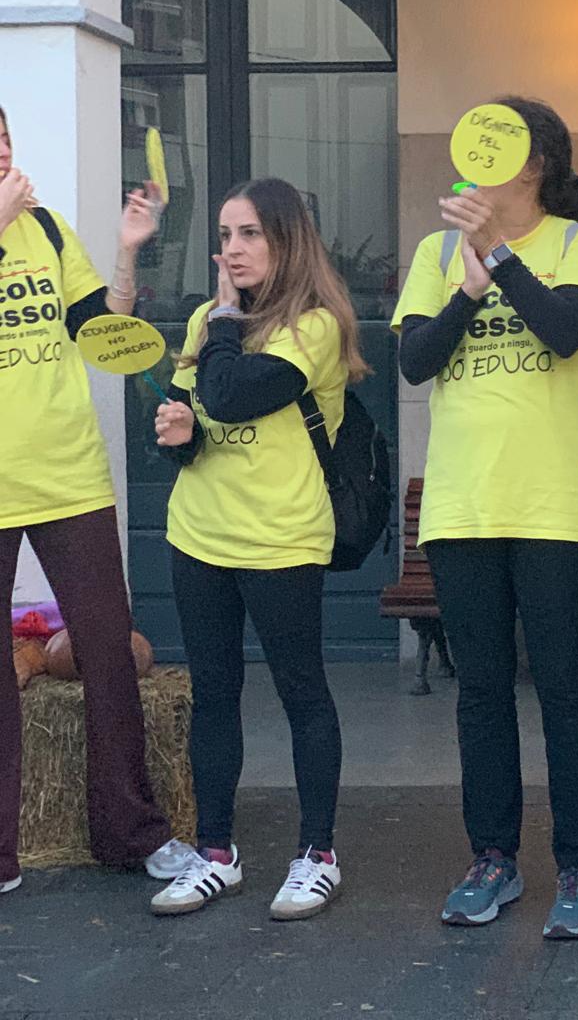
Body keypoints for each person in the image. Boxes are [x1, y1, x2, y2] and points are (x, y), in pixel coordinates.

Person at [393, 97, 578, 937]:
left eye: (502, 146)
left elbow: (565, 333)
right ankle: (492, 857)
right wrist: (465, 285)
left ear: (535, 165)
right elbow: (414, 359)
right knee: (480, 692)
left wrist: (498, 257)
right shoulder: (433, 252)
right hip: (462, 506)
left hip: (557, 504)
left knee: (565, 690)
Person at [150, 177, 362, 921]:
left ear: (286, 241)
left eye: (249, 236)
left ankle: (317, 854)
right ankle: (217, 853)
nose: (231, 250)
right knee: (214, 693)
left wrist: (225, 323)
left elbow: (237, 393)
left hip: (280, 539)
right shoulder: (212, 319)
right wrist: (178, 432)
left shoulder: (315, 326)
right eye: (225, 235)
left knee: (302, 692)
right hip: (198, 534)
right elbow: (196, 413)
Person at [0, 105, 188, 897]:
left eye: (5, 138)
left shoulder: (44, 231)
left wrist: (125, 250)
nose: (4, 153)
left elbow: (96, 330)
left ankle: (129, 833)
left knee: (109, 653)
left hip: (68, 471)